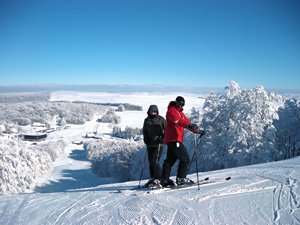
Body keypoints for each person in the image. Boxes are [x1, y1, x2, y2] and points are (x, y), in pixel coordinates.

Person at [160, 96, 204, 187]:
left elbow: (187, 122)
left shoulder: (180, 113)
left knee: (169, 161)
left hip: (174, 139)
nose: (180, 105)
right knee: (185, 159)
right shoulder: (171, 112)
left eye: (182, 104)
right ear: (175, 102)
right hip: (174, 139)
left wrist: (196, 130)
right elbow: (179, 121)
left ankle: (164, 180)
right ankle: (181, 179)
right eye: (179, 103)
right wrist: (188, 125)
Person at [143, 105, 166, 187]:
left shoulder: (161, 119)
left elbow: (167, 129)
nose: (153, 113)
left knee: (154, 161)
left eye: (154, 112)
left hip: (159, 143)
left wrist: (163, 138)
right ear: (148, 112)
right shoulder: (146, 120)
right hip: (150, 144)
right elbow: (145, 131)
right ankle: (152, 177)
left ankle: (159, 178)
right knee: (151, 162)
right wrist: (146, 140)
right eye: (151, 112)